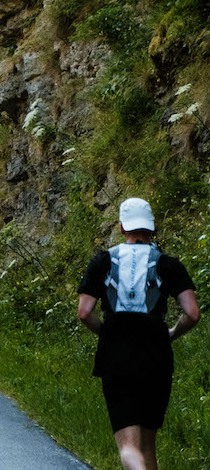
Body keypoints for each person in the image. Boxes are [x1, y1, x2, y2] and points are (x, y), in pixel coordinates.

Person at [78, 196, 200, 470]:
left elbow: (85, 312)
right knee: (148, 447)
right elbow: (192, 313)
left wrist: (107, 333)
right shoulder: (168, 264)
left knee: (130, 449)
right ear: (151, 228)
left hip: (116, 356)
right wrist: (171, 334)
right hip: (156, 355)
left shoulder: (103, 261)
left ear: (122, 227)